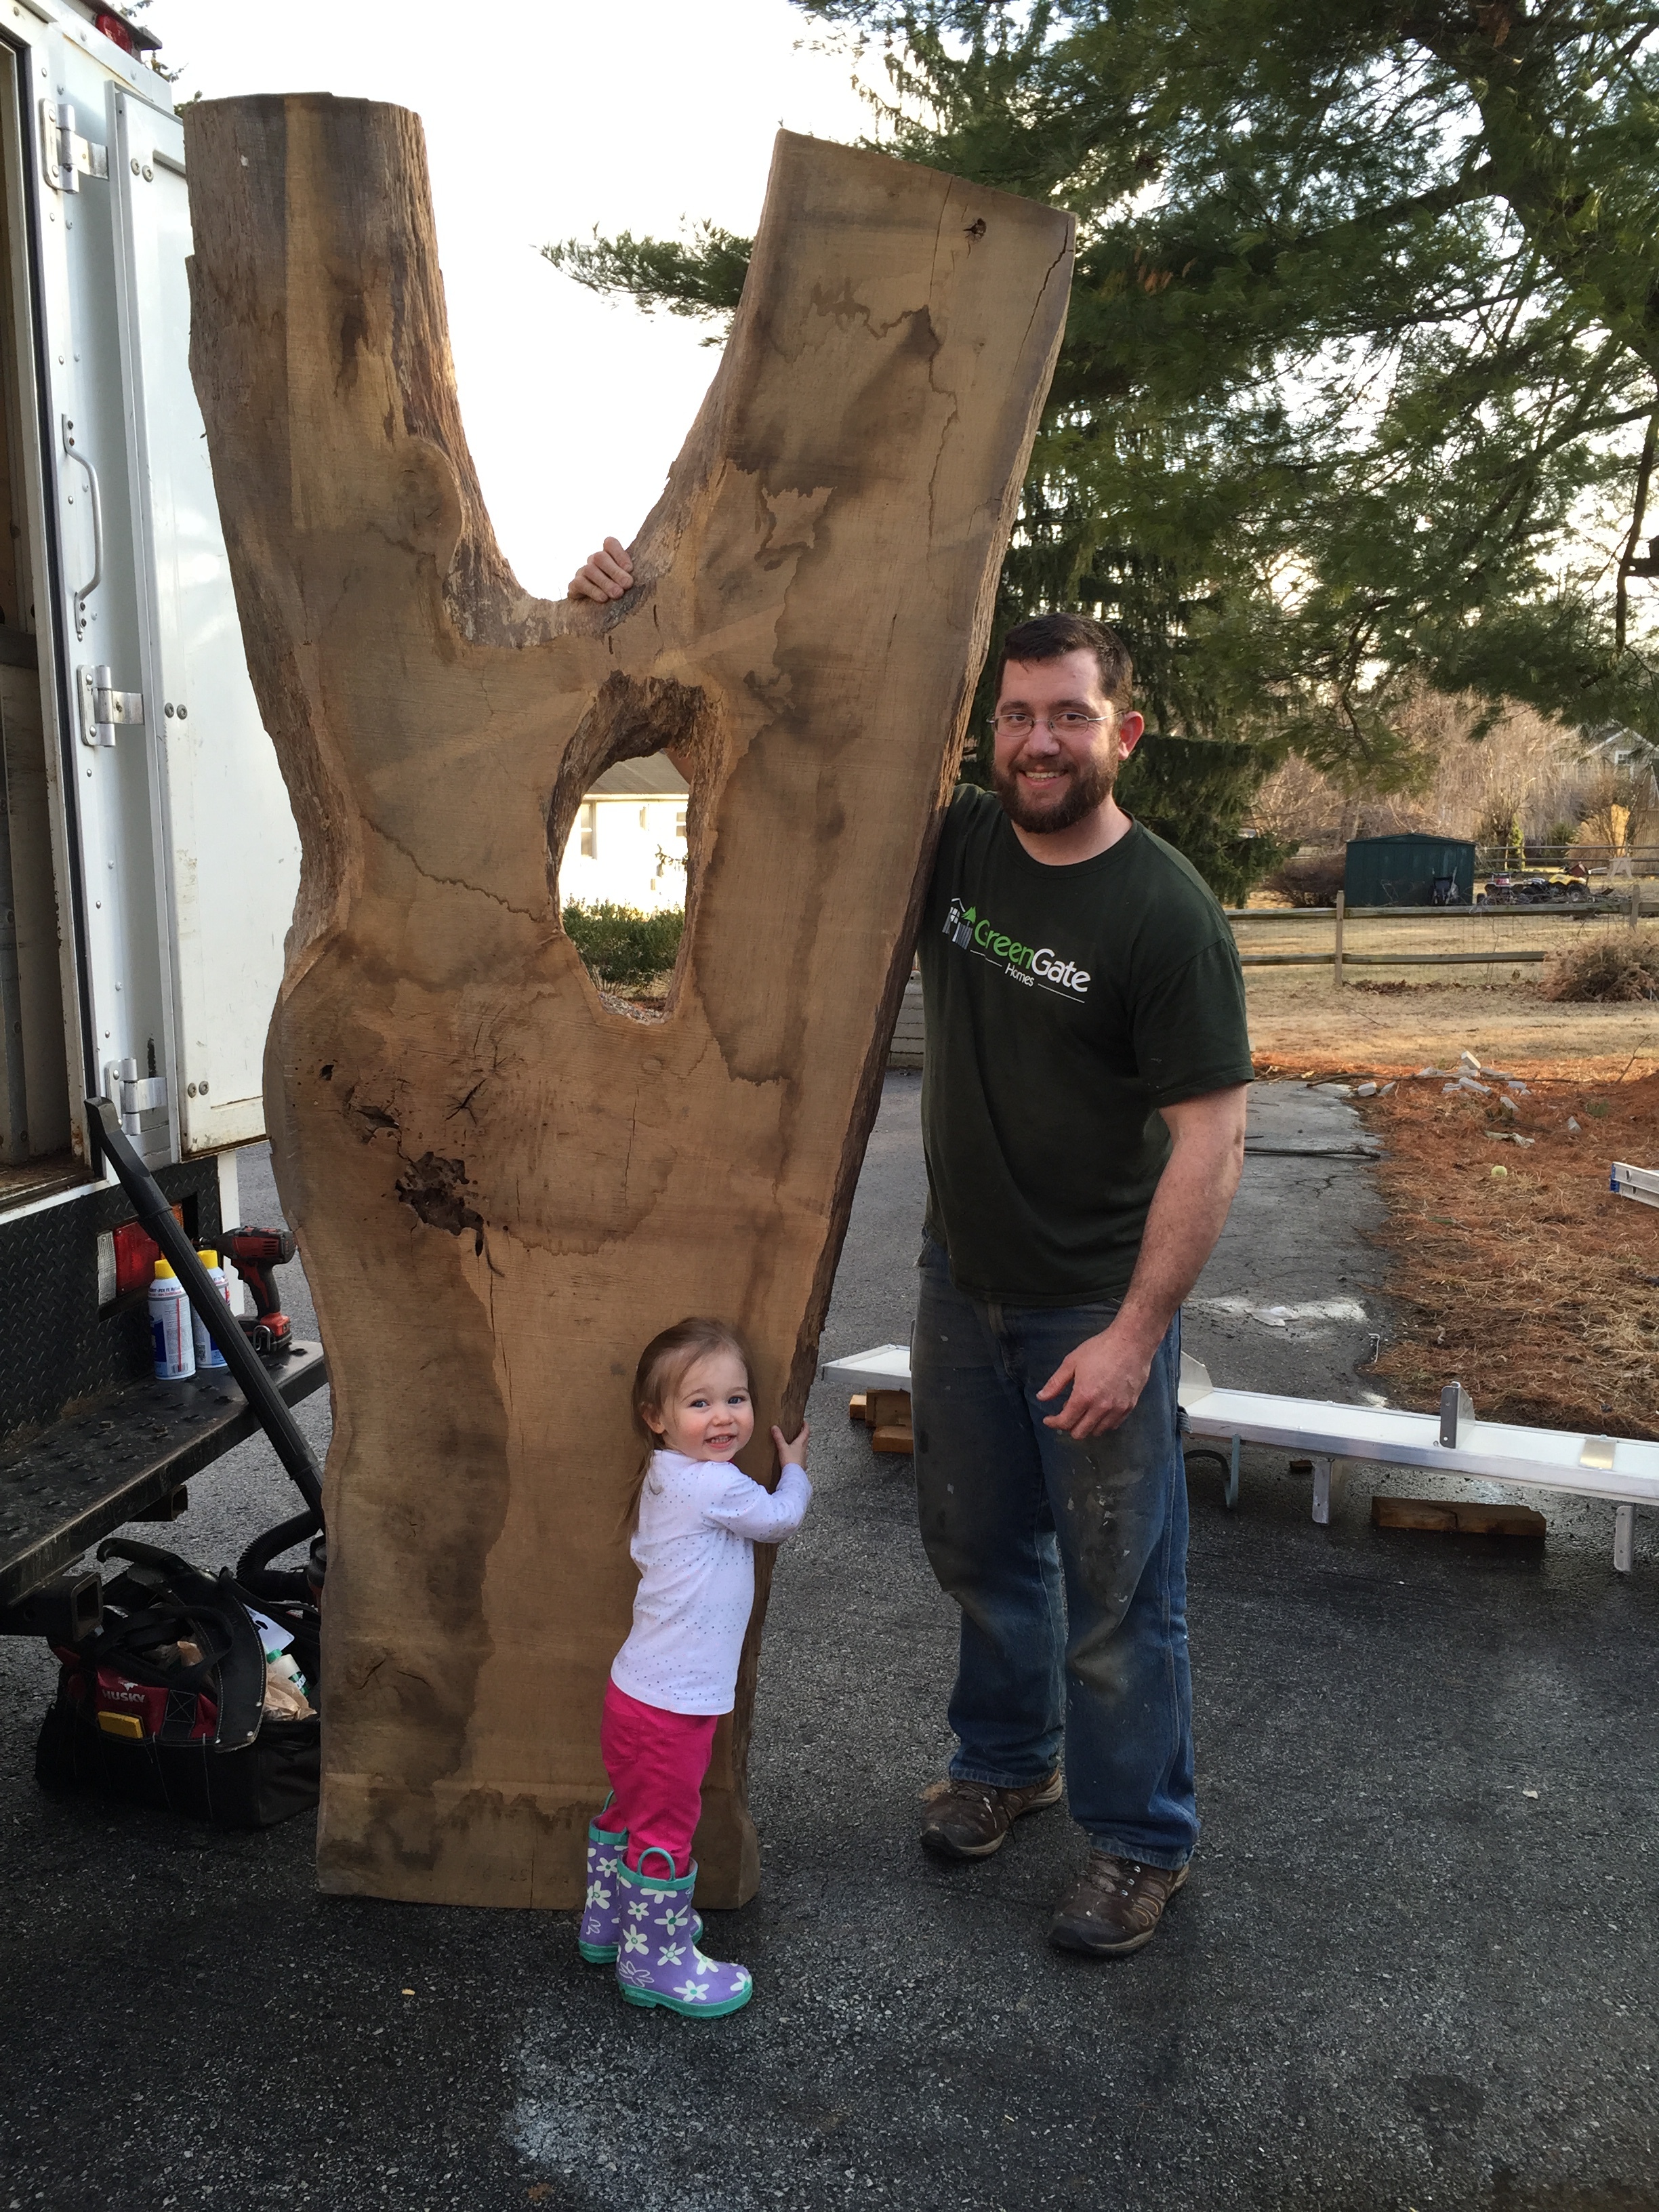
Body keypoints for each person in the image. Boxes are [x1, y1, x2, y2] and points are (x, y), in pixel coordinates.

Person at [569, 540, 1251, 1961]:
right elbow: (787, 749)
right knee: (982, 1550)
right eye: (1017, 714)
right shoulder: (958, 846)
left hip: (1092, 1300)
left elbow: (1211, 1139)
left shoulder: (1164, 915)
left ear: (1121, 731)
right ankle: (1007, 1763)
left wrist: (1133, 1336)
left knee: (1121, 1587)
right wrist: (645, 610)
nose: (1040, 740)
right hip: (966, 1280)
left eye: (1069, 714)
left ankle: (1139, 1844)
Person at [577, 1315, 811, 2018]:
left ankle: (610, 1924)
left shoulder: (665, 1474)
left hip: (637, 1696)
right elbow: (779, 1520)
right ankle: (656, 1964)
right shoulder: (714, 1487)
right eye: (699, 1402)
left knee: (631, 1808)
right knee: (664, 1831)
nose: (723, 1417)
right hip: (671, 1705)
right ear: (655, 1417)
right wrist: (794, 1468)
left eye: (736, 1399)